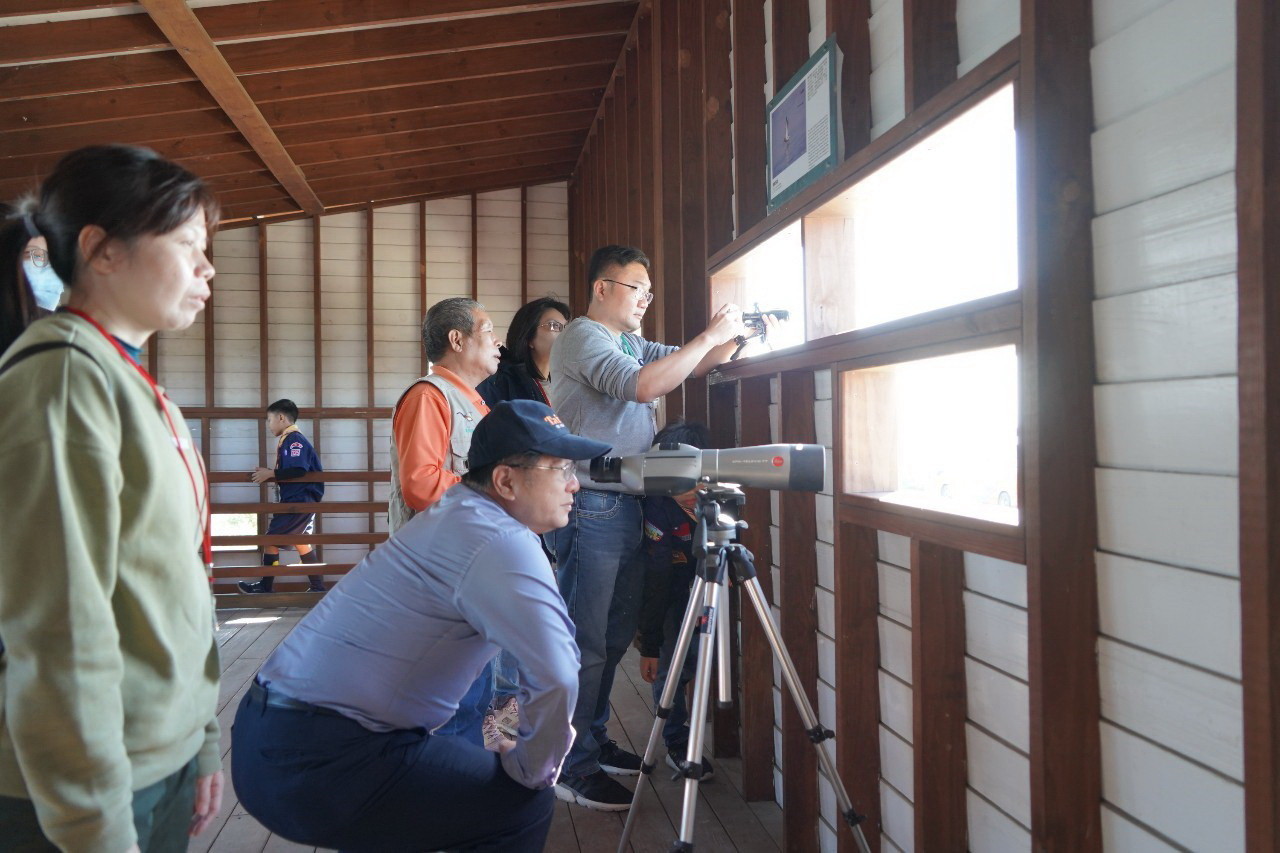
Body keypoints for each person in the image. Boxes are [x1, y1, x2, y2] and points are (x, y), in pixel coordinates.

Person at [231, 400, 607, 853]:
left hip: (266, 737)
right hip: (319, 760)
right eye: (560, 467)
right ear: (505, 480)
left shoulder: (456, 513)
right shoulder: (501, 540)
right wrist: (533, 770)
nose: (574, 483)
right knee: (522, 803)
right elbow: (558, 674)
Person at [0, 145, 223, 852]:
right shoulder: (64, 380)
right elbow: (61, 627)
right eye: (187, 243)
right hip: (87, 788)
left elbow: (175, 577)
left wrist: (201, 738)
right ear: (101, 250)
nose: (206, 266)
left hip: (157, 755)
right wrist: (93, 825)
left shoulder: (130, 379)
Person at [547, 244, 747, 810]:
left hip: (627, 503)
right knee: (585, 640)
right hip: (592, 504)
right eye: (638, 288)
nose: (646, 299)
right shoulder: (585, 336)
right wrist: (709, 336)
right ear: (603, 288)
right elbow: (643, 386)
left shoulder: (630, 342)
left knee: (611, 640)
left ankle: (592, 740)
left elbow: (689, 362)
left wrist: (738, 335)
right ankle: (569, 762)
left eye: (649, 290)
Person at [389, 295, 501, 744]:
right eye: (490, 331)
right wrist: (500, 490)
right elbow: (420, 484)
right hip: (440, 571)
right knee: (455, 700)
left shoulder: (472, 403)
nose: (499, 343)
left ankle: (461, 789)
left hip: (468, 566)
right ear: (457, 339)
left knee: (473, 694)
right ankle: (450, 797)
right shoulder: (428, 396)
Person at [476, 295, 570, 746]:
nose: (562, 333)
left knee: (544, 605)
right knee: (514, 604)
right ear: (528, 336)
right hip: (516, 505)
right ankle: (503, 703)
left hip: (559, 502)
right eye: (552, 326)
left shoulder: (571, 380)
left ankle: (530, 701)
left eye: (565, 326)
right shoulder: (505, 380)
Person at [635, 420, 716, 782]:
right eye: (671, 479)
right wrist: (648, 644)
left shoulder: (718, 502)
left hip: (705, 592)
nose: (682, 490)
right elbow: (656, 577)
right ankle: (677, 743)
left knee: (699, 662)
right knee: (669, 668)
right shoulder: (658, 507)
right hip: (667, 596)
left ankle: (695, 737)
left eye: (690, 478)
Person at [239, 398, 327, 594]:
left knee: (270, 540)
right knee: (301, 541)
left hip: (297, 501)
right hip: (300, 500)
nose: (269, 425)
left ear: (281, 418)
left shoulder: (294, 440)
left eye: (269, 420)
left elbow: (298, 469)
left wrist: (271, 474)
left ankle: (265, 586)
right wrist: (271, 472)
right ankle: (317, 587)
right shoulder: (290, 440)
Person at [478, 295, 570, 408]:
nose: (565, 334)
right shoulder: (502, 383)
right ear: (528, 337)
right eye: (554, 326)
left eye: (567, 328)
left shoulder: (562, 384)